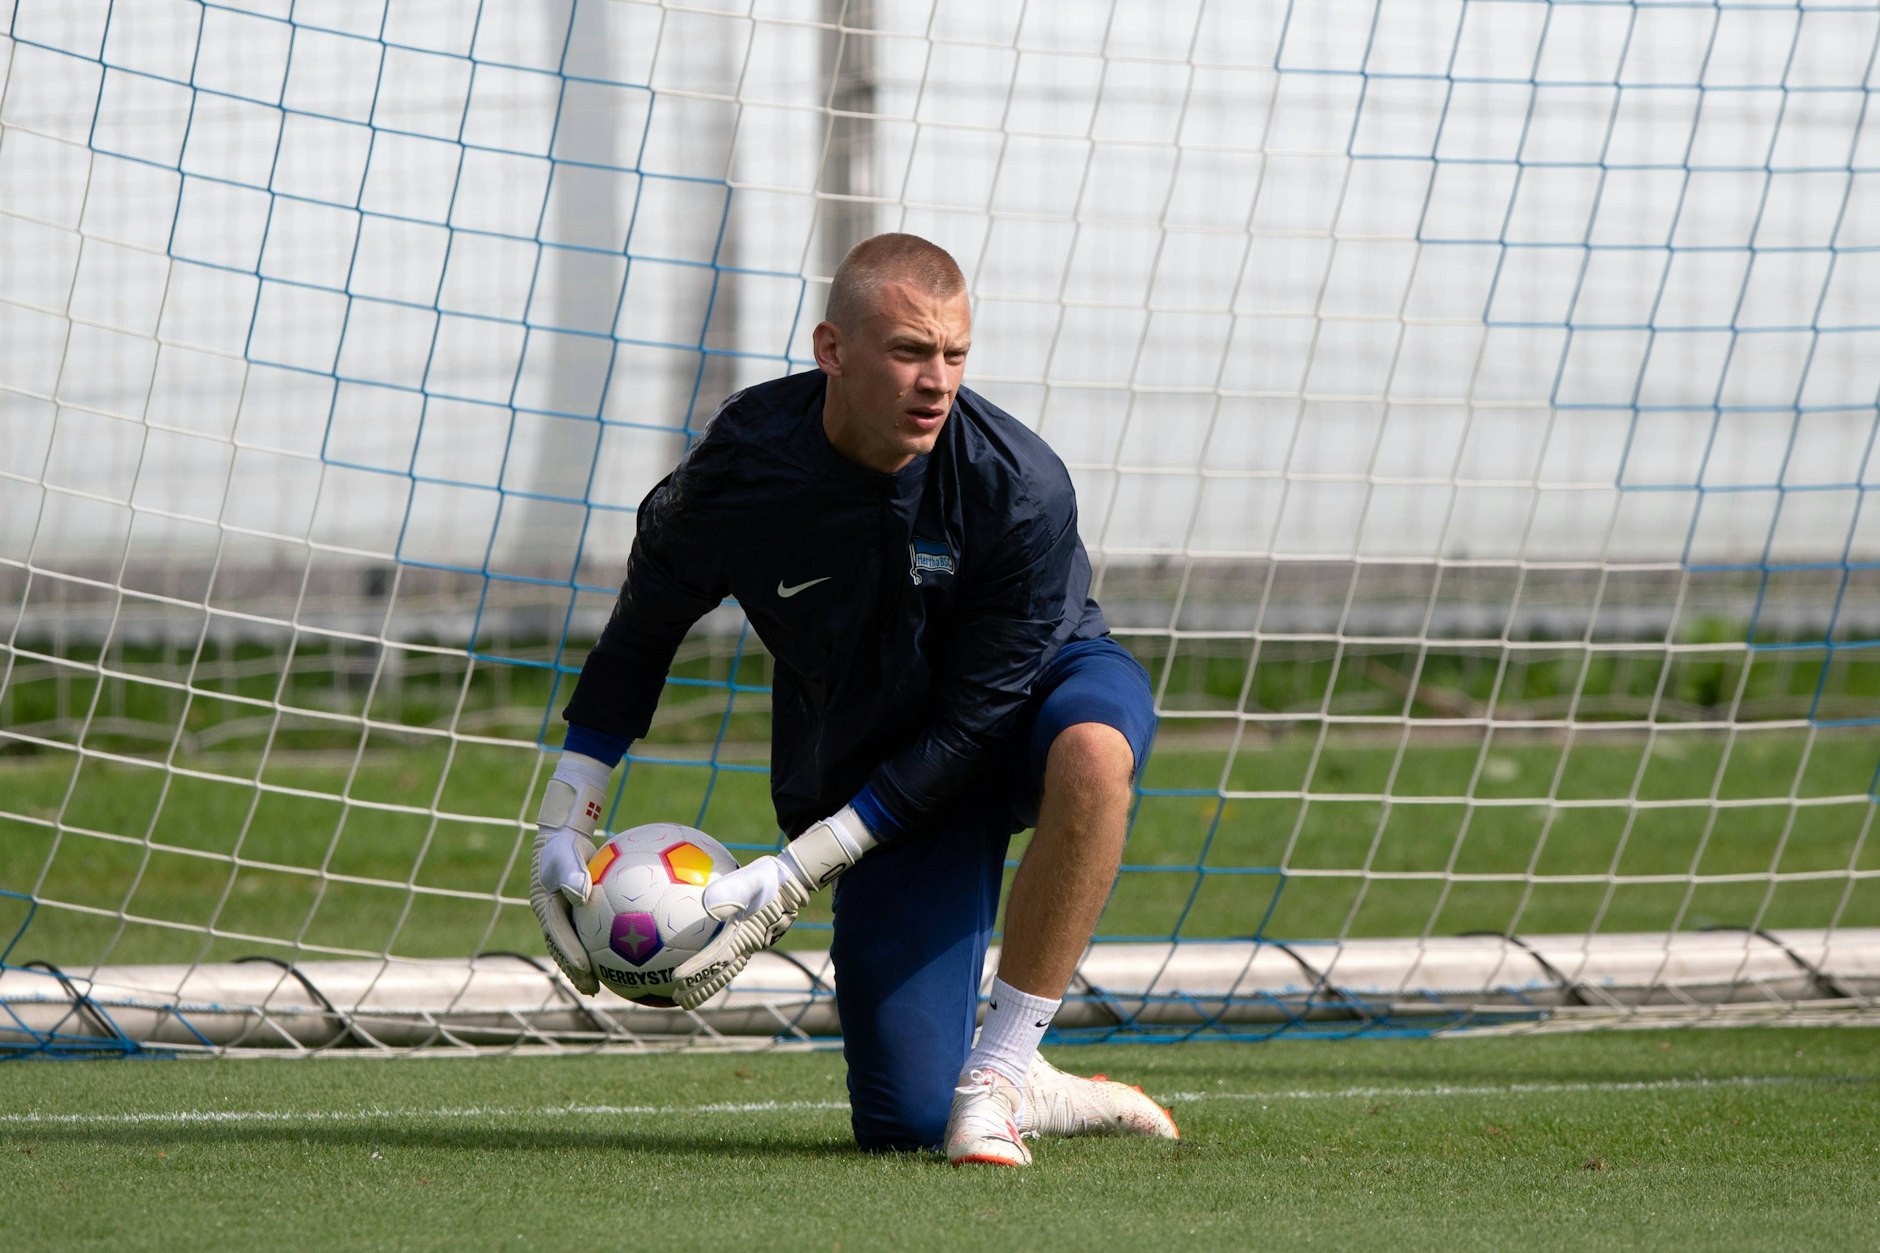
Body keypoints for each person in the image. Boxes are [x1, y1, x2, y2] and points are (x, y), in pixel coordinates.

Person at [528, 233, 1177, 1166]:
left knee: (1093, 752)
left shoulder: (1019, 486)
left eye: (954, 353)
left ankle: (1000, 1066)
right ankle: (1034, 1085)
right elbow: (644, 624)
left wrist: (794, 872)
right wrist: (567, 818)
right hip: (881, 758)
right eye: (910, 350)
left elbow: (972, 725)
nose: (937, 381)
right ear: (833, 349)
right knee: (907, 1121)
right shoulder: (746, 463)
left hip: (1033, 701)